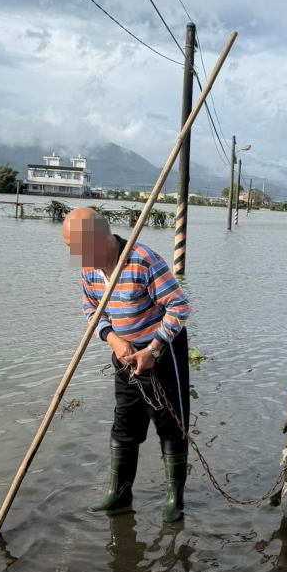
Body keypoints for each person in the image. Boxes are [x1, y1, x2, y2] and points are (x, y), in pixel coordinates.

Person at [65, 207, 193, 523]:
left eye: (78, 248)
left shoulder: (142, 260)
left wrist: (153, 348)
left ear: (101, 238)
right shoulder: (89, 270)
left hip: (162, 351)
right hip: (123, 353)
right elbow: (92, 309)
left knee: (170, 425)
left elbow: (179, 306)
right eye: (71, 250)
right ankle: (120, 493)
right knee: (124, 422)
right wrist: (114, 340)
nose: (76, 257)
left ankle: (174, 499)